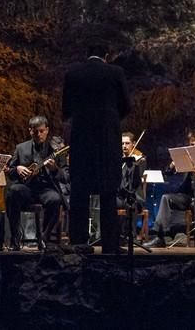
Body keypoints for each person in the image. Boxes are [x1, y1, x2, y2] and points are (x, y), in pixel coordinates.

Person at [62, 43, 131, 254]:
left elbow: (66, 109)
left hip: (82, 140)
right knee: (108, 192)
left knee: (79, 192)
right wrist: (110, 122)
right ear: (107, 55)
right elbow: (126, 106)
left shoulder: (73, 72)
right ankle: (110, 244)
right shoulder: (115, 72)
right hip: (107, 141)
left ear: (86, 54)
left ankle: (78, 242)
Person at [144, 130, 195, 248]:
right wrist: (171, 166)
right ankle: (160, 236)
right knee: (166, 198)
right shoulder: (186, 158)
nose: (194, 147)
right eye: (192, 145)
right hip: (187, 196)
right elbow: (168, 173)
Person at [5, 116, 69, 251]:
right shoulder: (21, 148)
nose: (39, 135)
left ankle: (45, 239)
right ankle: (15, 238)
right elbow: (9, 172)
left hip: (46, 188)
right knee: (12, 192)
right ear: (30, 131)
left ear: (47, 130)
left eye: (41, 131)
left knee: (55, 199)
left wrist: (54, 169)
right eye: (35, 132)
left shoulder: (56, 150)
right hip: (26, 188)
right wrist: (17, 169)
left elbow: (65, 176)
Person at [117, 132, 147, 240]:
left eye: (127, 143)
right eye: (122, 143)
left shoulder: (140, 159)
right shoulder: (118, 159)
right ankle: (112, 235)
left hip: (134, 195)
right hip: (121, 195)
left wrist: (133, 164)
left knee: (131, 203)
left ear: (133, 144)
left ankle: (130, 235)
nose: (124, 146)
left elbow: (136, 180)